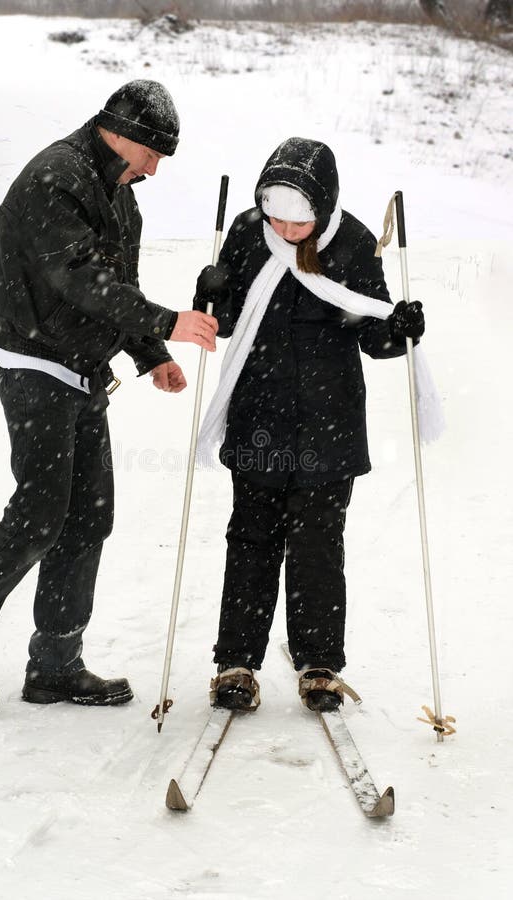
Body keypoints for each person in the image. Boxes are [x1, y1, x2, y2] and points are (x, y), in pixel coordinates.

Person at [0, 79, 218, 713]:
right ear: (124, 134)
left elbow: (117, 283)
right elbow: (78, 278)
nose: (155, 169)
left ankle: (55, 664)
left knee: (88, 517)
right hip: (32, 361)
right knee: (39, 512)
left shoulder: (119, 191)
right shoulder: (55, 179)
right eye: (153, 153)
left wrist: (150, 353)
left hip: (83, 369)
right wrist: (166, 322)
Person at [194, 138, 424, 713]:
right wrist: (209, 294)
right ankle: (236, 662)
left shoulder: (352, 245)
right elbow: (223, 324)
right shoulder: (249, 234)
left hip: (329, 425)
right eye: (275, 215)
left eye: (297, 219)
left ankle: (320, 664)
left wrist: (403, 328)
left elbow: (374, 337)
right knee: (250, 540)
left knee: (317, 545)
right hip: (258, 419)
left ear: (323, 207)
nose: (284, 228)